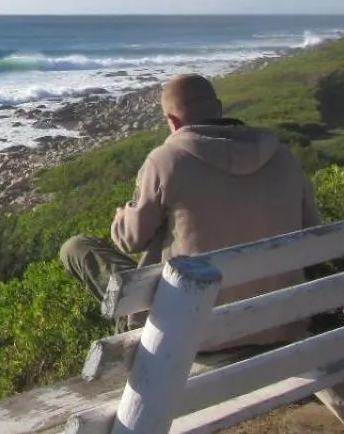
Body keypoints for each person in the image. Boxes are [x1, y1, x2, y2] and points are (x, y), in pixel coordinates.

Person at [60, 73, 319, 348]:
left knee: (75, 248)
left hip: (191, 336)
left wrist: (122, 218)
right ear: (219, 109)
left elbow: (131, 240)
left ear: (173, 122)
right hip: (280, 325)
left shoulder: (167, 160)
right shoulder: (283, 157)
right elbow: (313, 230)